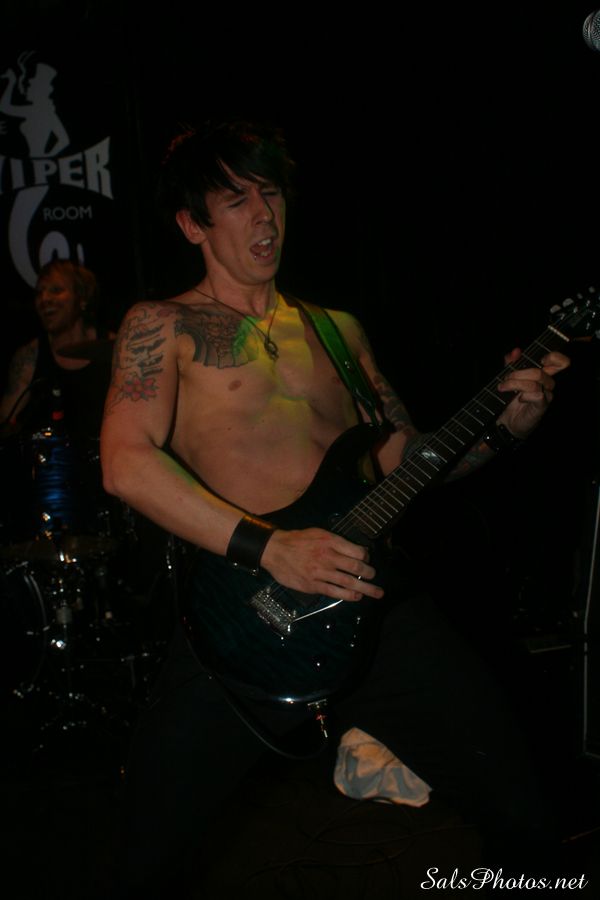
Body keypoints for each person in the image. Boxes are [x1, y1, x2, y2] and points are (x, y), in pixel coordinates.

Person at [100, 119, 570, 898]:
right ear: (191, 224)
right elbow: (125, 465)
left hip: (371, 598)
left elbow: (407, 463)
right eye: (237, 200)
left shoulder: (336, 330)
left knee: (525, 818)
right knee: (145, 861)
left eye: (272, 194)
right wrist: (272, 548)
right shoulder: (163, 325)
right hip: (244, 615)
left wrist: (504, 430)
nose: (264, 214)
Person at [0, 258, 114, 439]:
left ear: (82, 298)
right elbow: (6, 423)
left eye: (56, 290)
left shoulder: (116, 347)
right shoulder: (29, 356)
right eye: (39, 293)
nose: (44, 299)